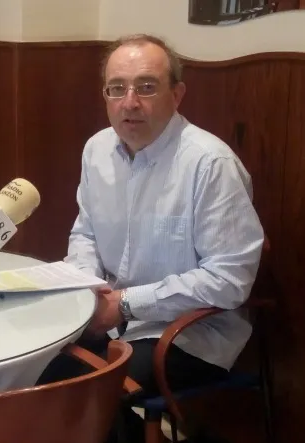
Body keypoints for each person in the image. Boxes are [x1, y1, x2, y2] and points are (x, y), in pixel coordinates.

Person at [36, 34, 265, 442]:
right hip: (109, 316)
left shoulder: (210, 164)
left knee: (92, 391)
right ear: (105, 96)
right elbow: (85, 232)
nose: (130, 102)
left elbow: (229, 279)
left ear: (177, 94)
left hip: (188, 333)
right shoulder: (97, 150)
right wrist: (90, 288)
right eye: (117, 88)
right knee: (37, 369)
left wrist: (125, 304)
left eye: (146, 87)